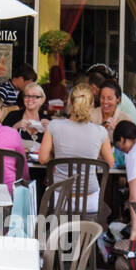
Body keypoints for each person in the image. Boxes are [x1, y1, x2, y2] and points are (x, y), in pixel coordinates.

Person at [38, 83, 113, 214]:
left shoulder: (54, 126)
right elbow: (110, 163)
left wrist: (56, 156)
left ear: (69, 103)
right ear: (91, 105)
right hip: (89, 202)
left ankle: (57, 234)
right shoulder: (101, 131)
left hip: (59, 200)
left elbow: (43, 159)